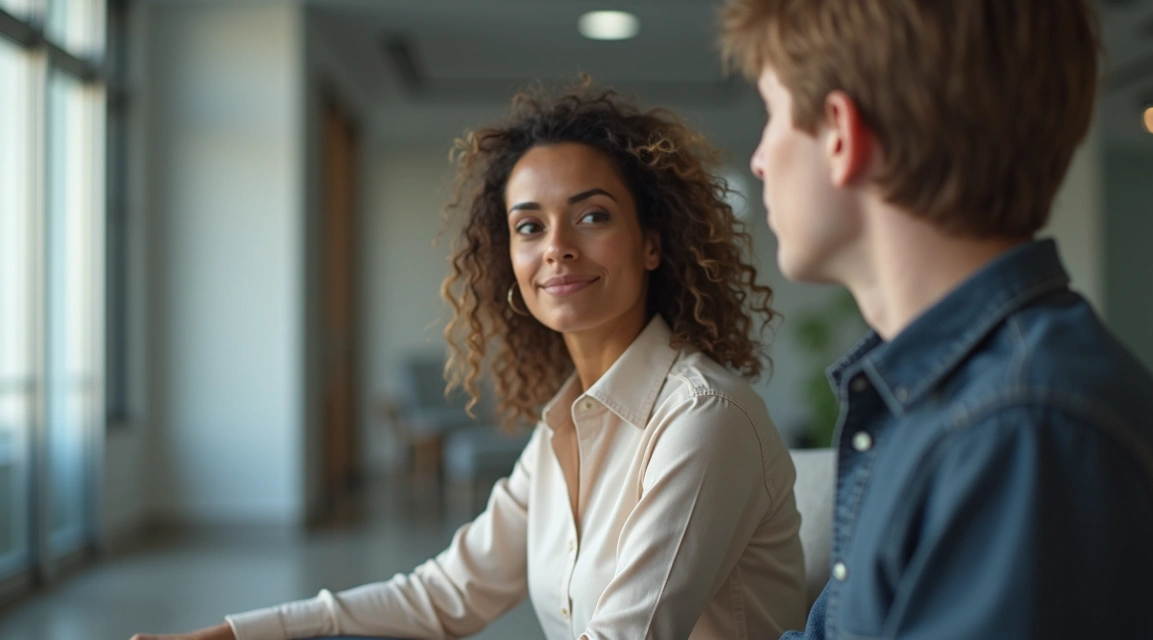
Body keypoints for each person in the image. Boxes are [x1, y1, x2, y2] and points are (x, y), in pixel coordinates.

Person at [131, 84, 806, 640]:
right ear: (508, 260)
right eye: (529, 226)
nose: (556, 248)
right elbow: (444, 597)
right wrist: (238, 634)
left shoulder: (702, 418)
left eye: (592, 217)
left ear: (652, 243)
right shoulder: (564, 428)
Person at [718, 0, 1153, 638]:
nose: (759, 158)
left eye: (773, 112)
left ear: (841, 134)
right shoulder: (938, 402)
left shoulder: (1022, 432)